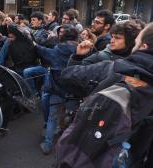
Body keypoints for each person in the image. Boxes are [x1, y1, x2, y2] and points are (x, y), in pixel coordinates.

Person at [58, 22, 153, 168]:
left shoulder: (113, 67)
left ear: (143, 47)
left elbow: (66, 76)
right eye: (112, 37)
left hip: (94, 149)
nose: (112, 40)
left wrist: (76, 58)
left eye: (137, 42)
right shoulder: (105, 58)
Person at [33, 24, 78, 155]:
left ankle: (47, 146)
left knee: (52, 119)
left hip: (57, 91)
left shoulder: (57, 49)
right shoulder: (81, 50)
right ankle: (69, 149)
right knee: (75, 120)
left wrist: (34, 44)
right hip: (74, 93)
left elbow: (43, 51)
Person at [69, 21, 141, 66]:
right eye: (112, 37)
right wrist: (77, 57)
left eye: (117, 38)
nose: (112, 40)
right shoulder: (100, 57)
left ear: (130, 41)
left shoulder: (137, 59)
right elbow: (72, 75)